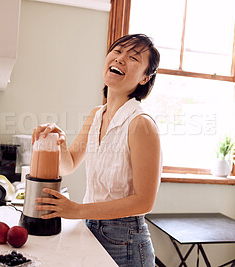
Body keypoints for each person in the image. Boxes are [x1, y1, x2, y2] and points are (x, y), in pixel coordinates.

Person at [32, 33, 161, 267]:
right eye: (118, 51)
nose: (120, 59)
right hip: (90, 227)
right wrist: (58, 141)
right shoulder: (96, 115)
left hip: (126, 241)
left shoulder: (141, 123)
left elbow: (144, 201)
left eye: (133, 57)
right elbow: (69, 164)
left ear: (145, 78)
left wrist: (77, 210)